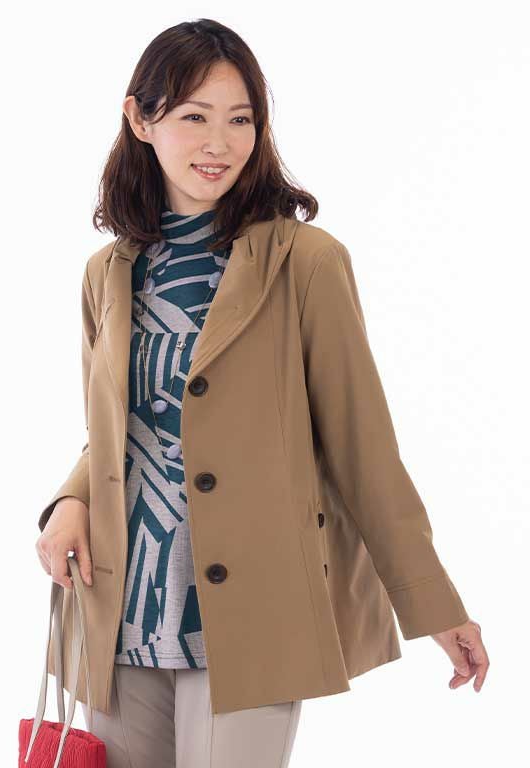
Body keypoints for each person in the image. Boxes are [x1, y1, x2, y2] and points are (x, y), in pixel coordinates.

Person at [34, 18, 489, 768]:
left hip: (251, 610)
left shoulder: (306, 262)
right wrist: (70, 500)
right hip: (122, 604)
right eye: (194, 117)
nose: (220, 143)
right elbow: (115, 431)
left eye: (240, 119)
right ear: (140, 119)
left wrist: (432, 602)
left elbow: (362, 447)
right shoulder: (107, 273)